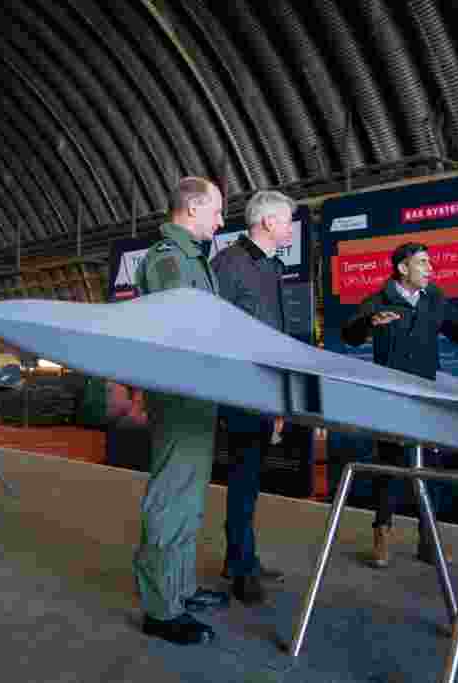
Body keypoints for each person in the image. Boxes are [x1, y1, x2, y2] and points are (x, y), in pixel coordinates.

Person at [341, 242, 458, 568]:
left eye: (430, 262)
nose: (430, 269)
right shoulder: (380, 300)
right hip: (392, 396)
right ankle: (382, 533)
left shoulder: (434, 299)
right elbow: (350, 334)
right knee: (390, 466)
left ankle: (429, 542)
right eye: (422, 262)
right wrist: (369, 324)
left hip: (425, 396)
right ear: (402, 268)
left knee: (429, 467)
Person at [132, 176, 229, 646]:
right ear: (192, 209)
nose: (221, 220)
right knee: (172, 496)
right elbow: (180, 329)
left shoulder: (192, 258)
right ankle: (162, 609)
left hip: (197, 393)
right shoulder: (168, 259)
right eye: (217, 210)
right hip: (179, 394)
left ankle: (181, 587)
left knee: (189, 497)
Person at [210, 189, 296, 605]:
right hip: (240, 388)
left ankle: (239, 559)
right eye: (286, 221)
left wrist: (278, 395)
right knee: (243, 478)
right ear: (267, 222)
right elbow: (212, 327)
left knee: (249, 479)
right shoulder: (228, 264)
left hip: (265, 388)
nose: (290, 228)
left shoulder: (271, 266)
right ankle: (242, 568)